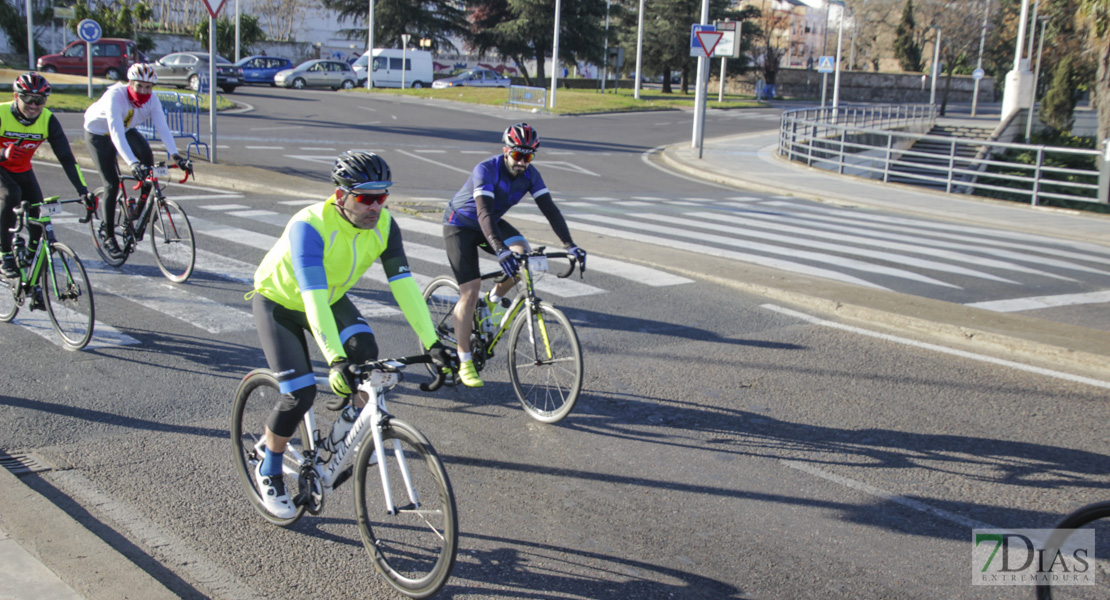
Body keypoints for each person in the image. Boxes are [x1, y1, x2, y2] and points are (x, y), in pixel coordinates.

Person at [248, 151, 456, 518]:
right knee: (300, 393)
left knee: (367, 352)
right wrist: (335, 360)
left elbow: (404, 286)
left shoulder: (385, 225)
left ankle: (349, 422)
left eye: (382, 196)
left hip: (329, 298)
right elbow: (311, 299)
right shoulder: (309, 225)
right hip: (280, 303)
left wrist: (433, 344)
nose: (376, 205)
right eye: (365, 197)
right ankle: (269, 464)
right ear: (340, 195)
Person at [442, 122, 586, 388]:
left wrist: (569, 244)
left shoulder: (531, 175)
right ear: (505, 150)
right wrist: (499, 250)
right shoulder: (485, 169)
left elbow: (550, 210)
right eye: (518, 155)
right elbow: (483, 212)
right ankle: (464, 361)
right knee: (470, 292)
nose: (522, 162)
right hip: (461, 224)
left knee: (524, 256)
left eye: (528, 156)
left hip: (492, 224)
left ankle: (493, 301)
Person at [83, 62, 191, 258]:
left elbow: (163, 127)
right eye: (138, 86)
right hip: (99, 134)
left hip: (126, 128)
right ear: (129, 83)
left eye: (148, 87)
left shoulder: (152, 100)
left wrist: (175, 155)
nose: (143, 90)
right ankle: (108, 236)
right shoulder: (115, 96)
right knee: (111, 184)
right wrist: (132, 163)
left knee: (148, 163)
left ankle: (136, 213)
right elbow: (115, 134)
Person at [0, 72, 95, 280]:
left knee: (39, 219)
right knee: (11, 194)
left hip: (22, 170)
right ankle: (4, 254)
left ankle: (31, 271)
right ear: (16, 97)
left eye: (40, 100)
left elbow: (67, 160)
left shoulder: (47, 119)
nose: (34, 106)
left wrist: (83, 191)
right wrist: (3, 153)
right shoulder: (1, 113)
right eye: (28, 99)